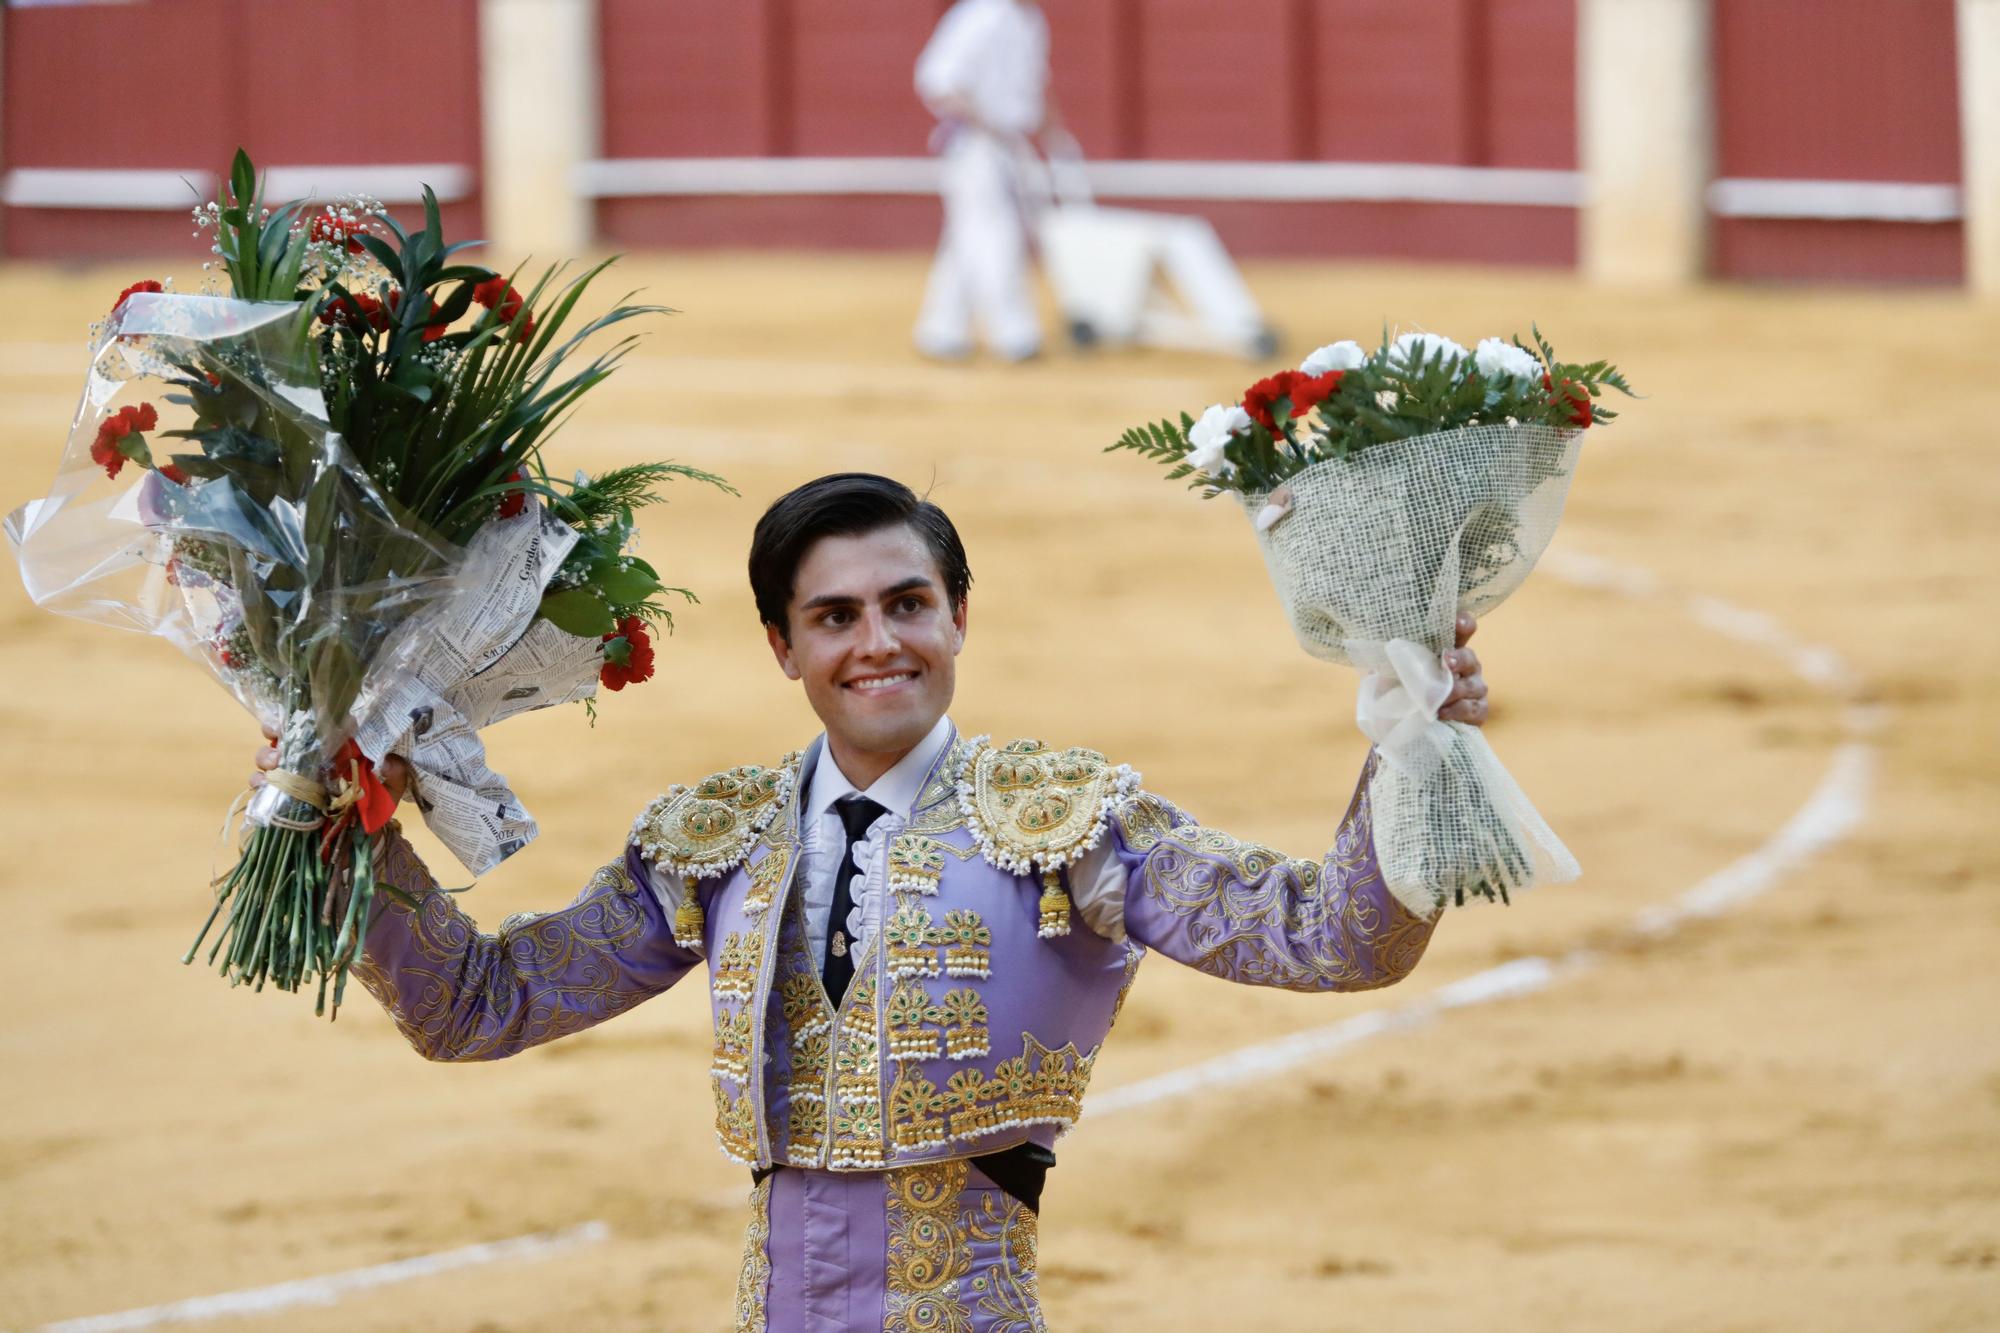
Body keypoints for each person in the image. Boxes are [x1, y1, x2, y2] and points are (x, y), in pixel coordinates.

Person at [256, 473, 1492, 1329]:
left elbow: (1332, 939)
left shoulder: (1061, 820)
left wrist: (1408, 740)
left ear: (958, 616)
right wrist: (338, 819)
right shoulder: (713, 838)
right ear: (782, 648)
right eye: (833, 616)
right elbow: (478, 1005)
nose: (877, 643)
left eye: (907, 604)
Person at [912, 0, 1052, 363]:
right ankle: (1014, 333)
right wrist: (985, 122)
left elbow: (1034, 86)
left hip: (1005, 143)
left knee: (967, 240)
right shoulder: (981, 15)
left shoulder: (1029, 19)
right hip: (975, 144)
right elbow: (939, 79)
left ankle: (941, 330)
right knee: (996, 234)